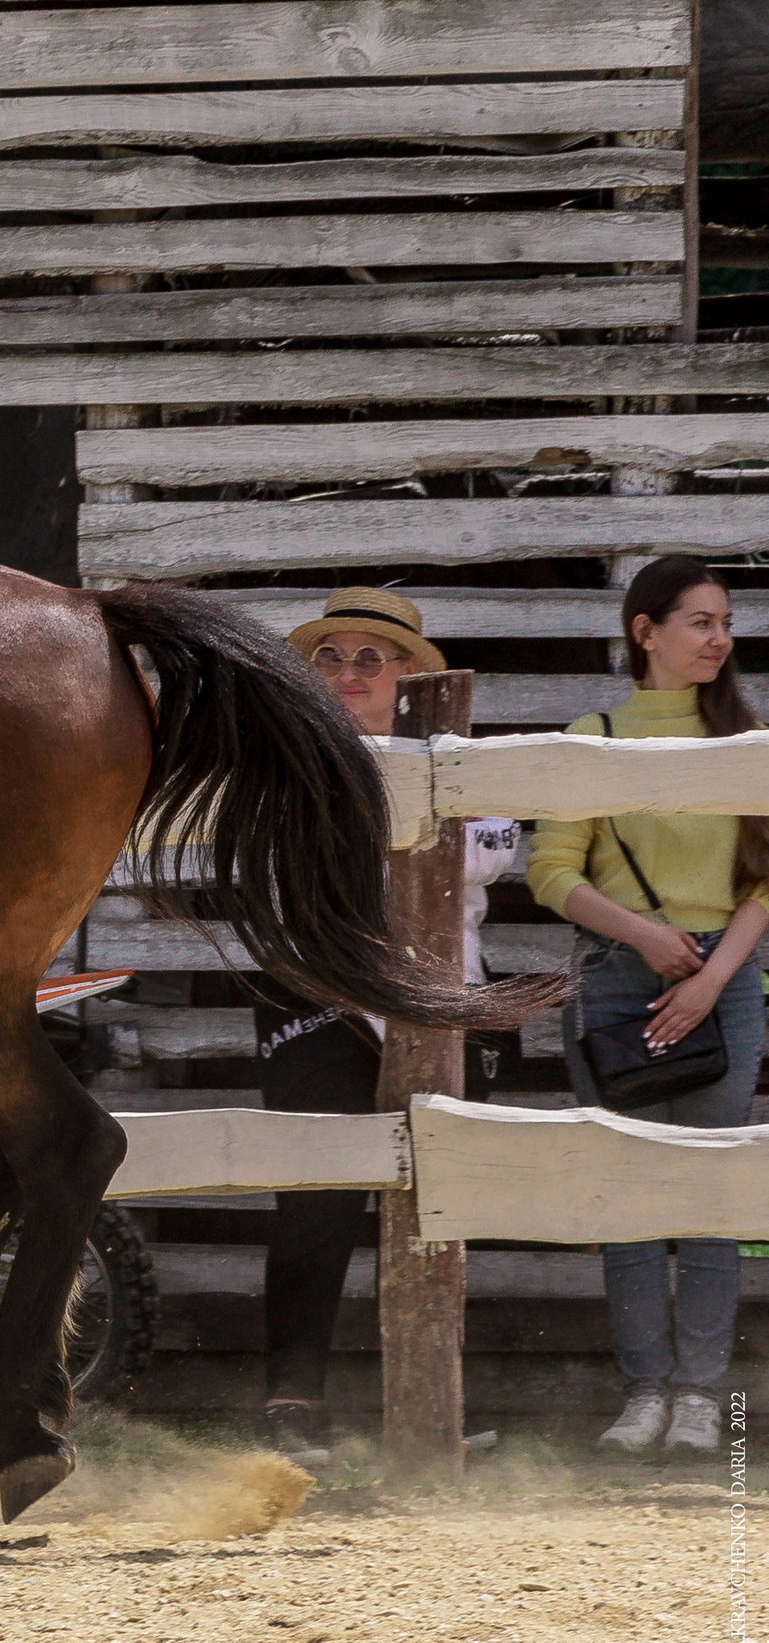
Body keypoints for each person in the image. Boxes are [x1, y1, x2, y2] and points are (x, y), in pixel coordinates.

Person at [253, 589, 519, 1463]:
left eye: (370, 658)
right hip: (319, 993)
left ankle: (435, 1406)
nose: (347, 674)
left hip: (444, 997)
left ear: (411, 674)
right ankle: (293, 1406)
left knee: (443, 1202)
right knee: (315, 1200)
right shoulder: (285, 757)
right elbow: (278, 866)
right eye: (332, 657)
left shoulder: (464, 759)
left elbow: (491, 850)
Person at [528, 555, 769, 1459]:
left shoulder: (749, 739)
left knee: (707, 1193)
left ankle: (702, 1397)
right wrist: (644, 937)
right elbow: (551, 871)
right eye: (701, 621)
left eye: (725, 621)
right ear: (646, 632)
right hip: (618, 977)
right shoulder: (592, 735)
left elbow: (765, 879)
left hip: (728, 979)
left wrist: (708, 976)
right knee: (626, 1196)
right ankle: (644, 1394)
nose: (721, 638)